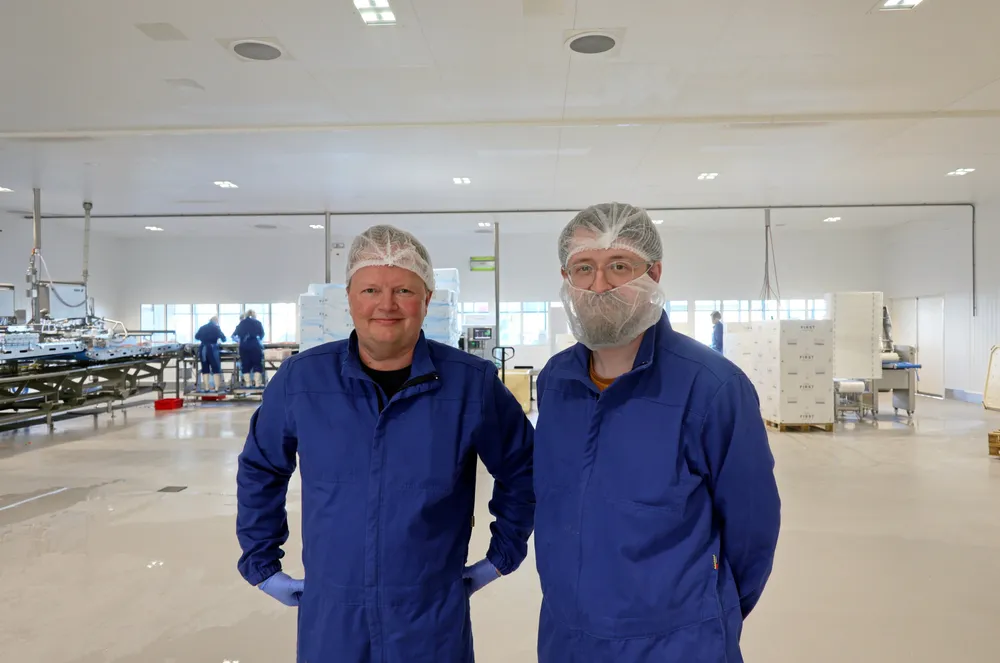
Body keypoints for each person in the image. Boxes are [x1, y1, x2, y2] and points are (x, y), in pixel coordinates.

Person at [236, 224, 535, 663]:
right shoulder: (302, 380)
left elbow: (524, 468)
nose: (386, 305)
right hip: (333, 614)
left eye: (404, 291)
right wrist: (262, 563)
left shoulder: (472, 384)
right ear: (350, 298)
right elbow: (262, 467)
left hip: (431, 616)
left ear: (427, 299)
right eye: (371, 289)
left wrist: (501, 555)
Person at [533, 203, 781, 663]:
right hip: (568, 635)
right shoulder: (555, 381)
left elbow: (752, 529)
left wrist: (705, 614)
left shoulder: (712, 387)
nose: (600, 286)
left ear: (654, 273)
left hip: (677, 641)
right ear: (566, 278)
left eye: (619, 266)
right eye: (583, 268)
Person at [233, 310, 266, 387]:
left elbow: (234, 335)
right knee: (257, 363)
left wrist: (239, 340)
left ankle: (247, 383)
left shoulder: (241, 323)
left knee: (245, 364)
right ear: (254, 315)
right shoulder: (258, 323)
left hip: (243, 346)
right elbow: (262, 335)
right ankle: (257, 383)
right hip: (254, 345)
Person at [195, 316, 226, 392]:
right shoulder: (216, 328)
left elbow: (196, 337)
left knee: (205, 369)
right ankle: (216, 388)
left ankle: (206, 388)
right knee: (216, 368)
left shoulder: (202, 327)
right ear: (216, 321)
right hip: (212, 349)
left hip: (203, 349)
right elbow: (224, 339)